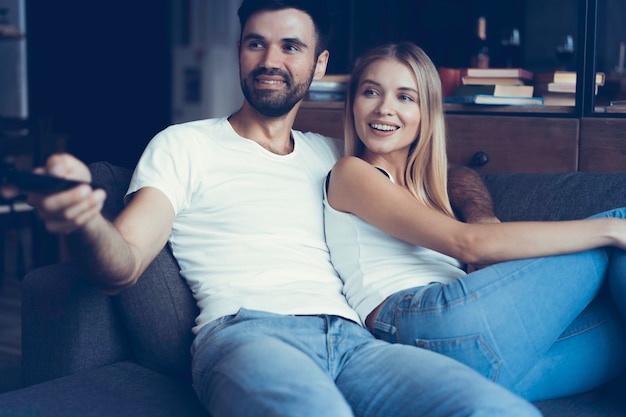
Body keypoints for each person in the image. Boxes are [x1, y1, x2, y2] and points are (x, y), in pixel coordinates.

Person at [16, 2, 542, 417]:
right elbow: (124, 261)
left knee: (496, 409)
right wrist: (86, 222)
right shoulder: (184, 144)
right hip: (247, 334)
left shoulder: (335, 154)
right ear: (239, 53)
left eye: (291, 46)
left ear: (319, 63)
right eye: (256, 43)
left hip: (356, 341)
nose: (271, 59)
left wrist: (479, 216)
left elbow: (450, 173)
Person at [323, 41, 626, 402]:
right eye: (371, 92)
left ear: (427, 113)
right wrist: (609, 230)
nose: (384, 108)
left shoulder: (425, 190)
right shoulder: (352, 173)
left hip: (457, 363)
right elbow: (467, 243)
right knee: (617, 225)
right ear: (353, 103)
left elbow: (457, 178)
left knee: (619, 340)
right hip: (421, 319)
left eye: (405, 97)